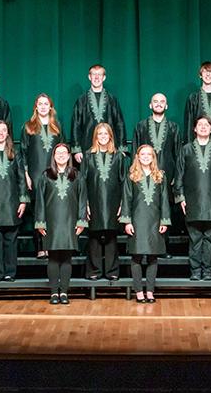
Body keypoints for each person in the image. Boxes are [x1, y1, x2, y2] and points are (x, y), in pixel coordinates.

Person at [174, 116, 211, 281]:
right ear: (194, 129)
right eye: (200, 124)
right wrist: (181, 198)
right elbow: (179, 175)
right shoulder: (185, 149)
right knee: (195, 238)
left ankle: (207, 270)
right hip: (192, 201)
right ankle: (195, 270)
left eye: (206, 125)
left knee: (210, 238)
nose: (203, 127)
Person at [34, 143, 88, 305]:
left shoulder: (77, 175)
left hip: (70, 221)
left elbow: (82, 200)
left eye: (64, 152)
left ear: (69, 155)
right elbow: (40, 201)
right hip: (51, 222)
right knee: (53, 258)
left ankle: (64, 292)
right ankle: (53, 293)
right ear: (54, 155)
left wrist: (81, 220)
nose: (61, 155)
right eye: (58, 153)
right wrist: (40, 222)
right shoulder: (46, 175)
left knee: (66, 258)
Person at [120, 145, 171, 303]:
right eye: (143, 154)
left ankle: (150, 291)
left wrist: (164, 220)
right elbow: (127, 200)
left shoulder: (160, 175)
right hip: (137, 220)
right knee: (136, 256)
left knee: (152, 257)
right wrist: (127, 221)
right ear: (137, 156)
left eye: (149, 154)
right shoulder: (131, 176)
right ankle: (138, 291)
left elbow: (164, 200)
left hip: (155, 221)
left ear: (153, 157)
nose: (146, 156)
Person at [20, 93, 65, 259]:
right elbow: (22, 152)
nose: (43, 106)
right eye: (40, 104)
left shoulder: (57, 126)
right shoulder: (28, 126)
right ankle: (40, 246)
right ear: (36, 107)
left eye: (46, 104)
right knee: (38, 211)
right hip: (35, 175)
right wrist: (26, 174)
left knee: (53, 210)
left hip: (53, 175)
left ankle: (52, 246)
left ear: (51, 107)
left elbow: (63, 150)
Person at [82, 123, 127, 280]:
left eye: (105, 134)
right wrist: (85, 203)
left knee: (111, 237)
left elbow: (124, 182)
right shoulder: (88, 156)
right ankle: (94, 271)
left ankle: (111, 271)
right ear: (95, 137)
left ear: (110, 136)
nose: (102, 137)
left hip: (113, 202)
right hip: (93, 201)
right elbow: (82, 182)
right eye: (99, 134)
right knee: (94, 236)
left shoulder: (118, 156)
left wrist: (123, 203)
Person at [0, 120, 28, 282]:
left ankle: (10, 272)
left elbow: (21, 178)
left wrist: (23, 200)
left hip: (12, 204)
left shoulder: (14, 153)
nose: (1, 133)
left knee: (10, 240)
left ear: (8, 134)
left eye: (4, 130)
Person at [134, 93, 183, 234]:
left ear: (166, 106)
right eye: (155, 101)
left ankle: (164, 245)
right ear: (150, 105)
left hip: (168, 173)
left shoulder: (174, 127)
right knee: (144, 205)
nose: (159, 104)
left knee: (165, 206)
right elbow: (135, 151)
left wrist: (177, 176)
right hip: (143, 173)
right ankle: (143, 244)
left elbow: (178, 154)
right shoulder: (141, 126)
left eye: (162, 101)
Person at [71, 64, 126, 162]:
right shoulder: (81, 100)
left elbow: (119, 123)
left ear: (104, 77)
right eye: (94, 74)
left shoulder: (112, 99)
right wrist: (76, 149)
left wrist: (121, 148)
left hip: (110, 147)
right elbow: (76, 125)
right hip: (87, 146)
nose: (96, 77)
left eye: (99, 74)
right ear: (89, 77)